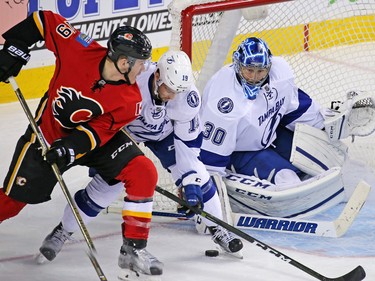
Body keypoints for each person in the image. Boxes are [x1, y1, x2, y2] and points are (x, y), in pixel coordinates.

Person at [37, 50, 244, 271]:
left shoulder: (187, 98)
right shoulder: (133, 78)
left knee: (200, 177)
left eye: (178, 91)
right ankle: (63, 230)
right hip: (125, 133)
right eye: (169, 89)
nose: (173, 96)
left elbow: (186, 145)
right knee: (106, 189)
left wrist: (190, 182)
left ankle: (217, 228)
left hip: (164, 134)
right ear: (157, 76)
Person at [0, 10, 164, 278]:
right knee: (11, 202)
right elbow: (44, 20)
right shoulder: (79, 49)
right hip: (48, 135)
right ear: (124, 62)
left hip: (92, 141)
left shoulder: (131, 99)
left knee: (142, 170)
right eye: (141, 63)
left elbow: (97, 132)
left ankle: (133, 249)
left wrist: (70, 148)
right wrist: (15, 47)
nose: (145, 68)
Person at [200, 37, 325, 185]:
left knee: (319, 156)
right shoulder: (223, 101)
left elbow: (296, 108)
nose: (254, 78)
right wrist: (208, 189)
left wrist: (323, 125)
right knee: (287, 179)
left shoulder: (279, 74)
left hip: (270, 137)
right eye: (249, 70)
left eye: (260, 71)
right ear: (237, 65)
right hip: (240, 152)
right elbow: (210, 159)